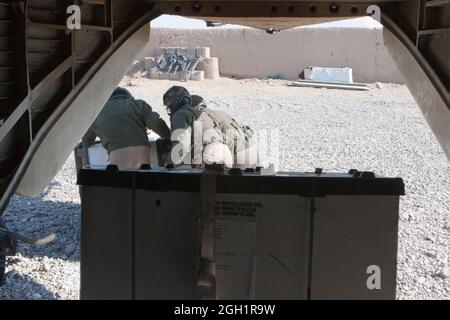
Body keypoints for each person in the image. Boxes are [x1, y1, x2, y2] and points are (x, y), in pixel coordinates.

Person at [163, 86, 257, 168]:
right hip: (249, 147)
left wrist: (168, 162)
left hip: (215, 154)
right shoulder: (215, 115)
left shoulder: (180, 114)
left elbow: (181, 146)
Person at [82, 87, 170, 169]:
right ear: (127, 96)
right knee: (143, 181)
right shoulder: (137, 104)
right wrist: (170, 136)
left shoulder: (98, 113)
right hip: (143, 152)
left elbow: (86, 140)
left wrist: (86, 143)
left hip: (117, 153)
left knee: (123, 183)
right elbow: (156, 123)